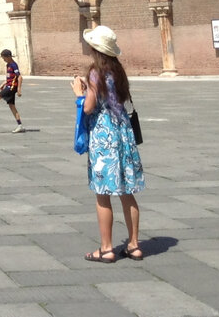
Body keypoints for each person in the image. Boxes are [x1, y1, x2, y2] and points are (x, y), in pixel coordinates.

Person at [71, 25, 145, 263]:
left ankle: (106, 248)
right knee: (127, 192)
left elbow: (90, 107)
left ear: (95, 48)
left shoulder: (95, 72)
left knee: (103, 194)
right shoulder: (118, 70)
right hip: (123, 132)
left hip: (104, 135)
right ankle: (134, 245)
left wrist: (79, 94)